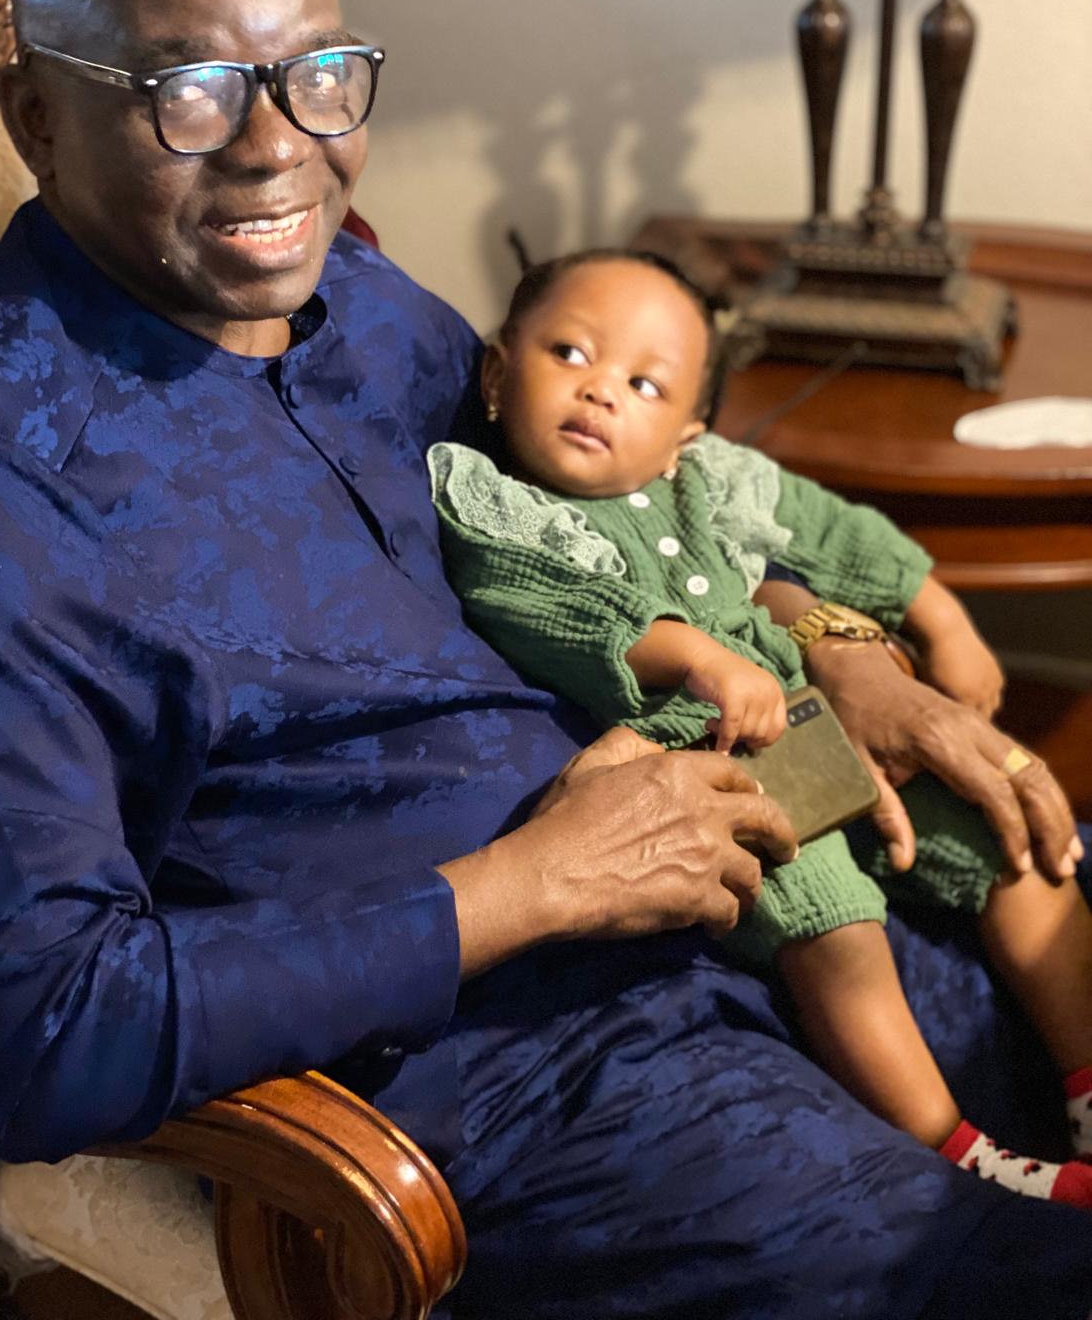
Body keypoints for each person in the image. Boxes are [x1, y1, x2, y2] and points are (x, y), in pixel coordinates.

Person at [0, 0, 1090, 1318]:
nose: (278, 148)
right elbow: (45, 1032)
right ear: (36, 118)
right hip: (531, 1076)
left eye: (318, 73)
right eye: (189, 92)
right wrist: (533, 883)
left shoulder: (360, 300)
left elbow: (618, 520)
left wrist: (840, 650)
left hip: (758, 885)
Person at [427, 245, 1092, 1207]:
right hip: (723, 771)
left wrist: (943, 620)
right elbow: (551, 609)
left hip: (827, 728)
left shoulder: (713, 482)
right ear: (495, 374)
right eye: (569, 353)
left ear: (686, 434)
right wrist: (697, 657)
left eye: (645, 384)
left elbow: (836, 533)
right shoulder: (497, 506)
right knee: (833, 920)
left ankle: (1085, 1081)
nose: (600, 390)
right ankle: (952, 1148)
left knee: (1009, 846)